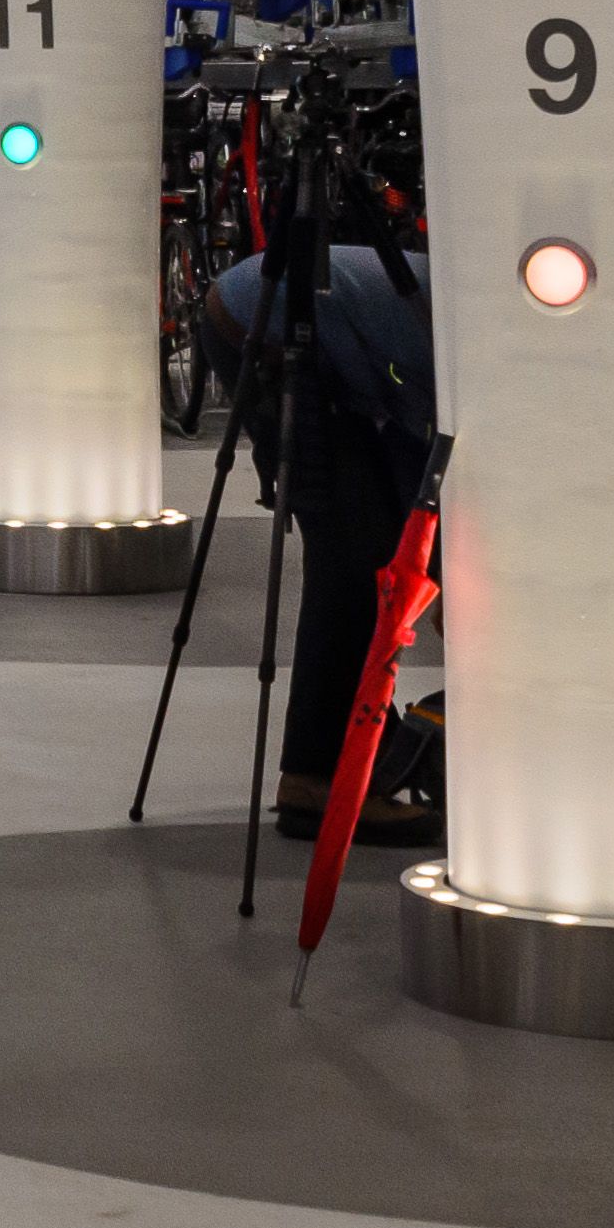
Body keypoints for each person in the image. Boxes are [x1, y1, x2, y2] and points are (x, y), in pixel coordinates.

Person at [209, 233, 439, 844]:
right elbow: (428, 462)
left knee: (371, 550)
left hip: (312, 337)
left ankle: (350, 753)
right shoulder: (457, 347)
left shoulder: (463, 324)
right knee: (354, 564)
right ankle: (318, 779)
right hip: (268, 329)